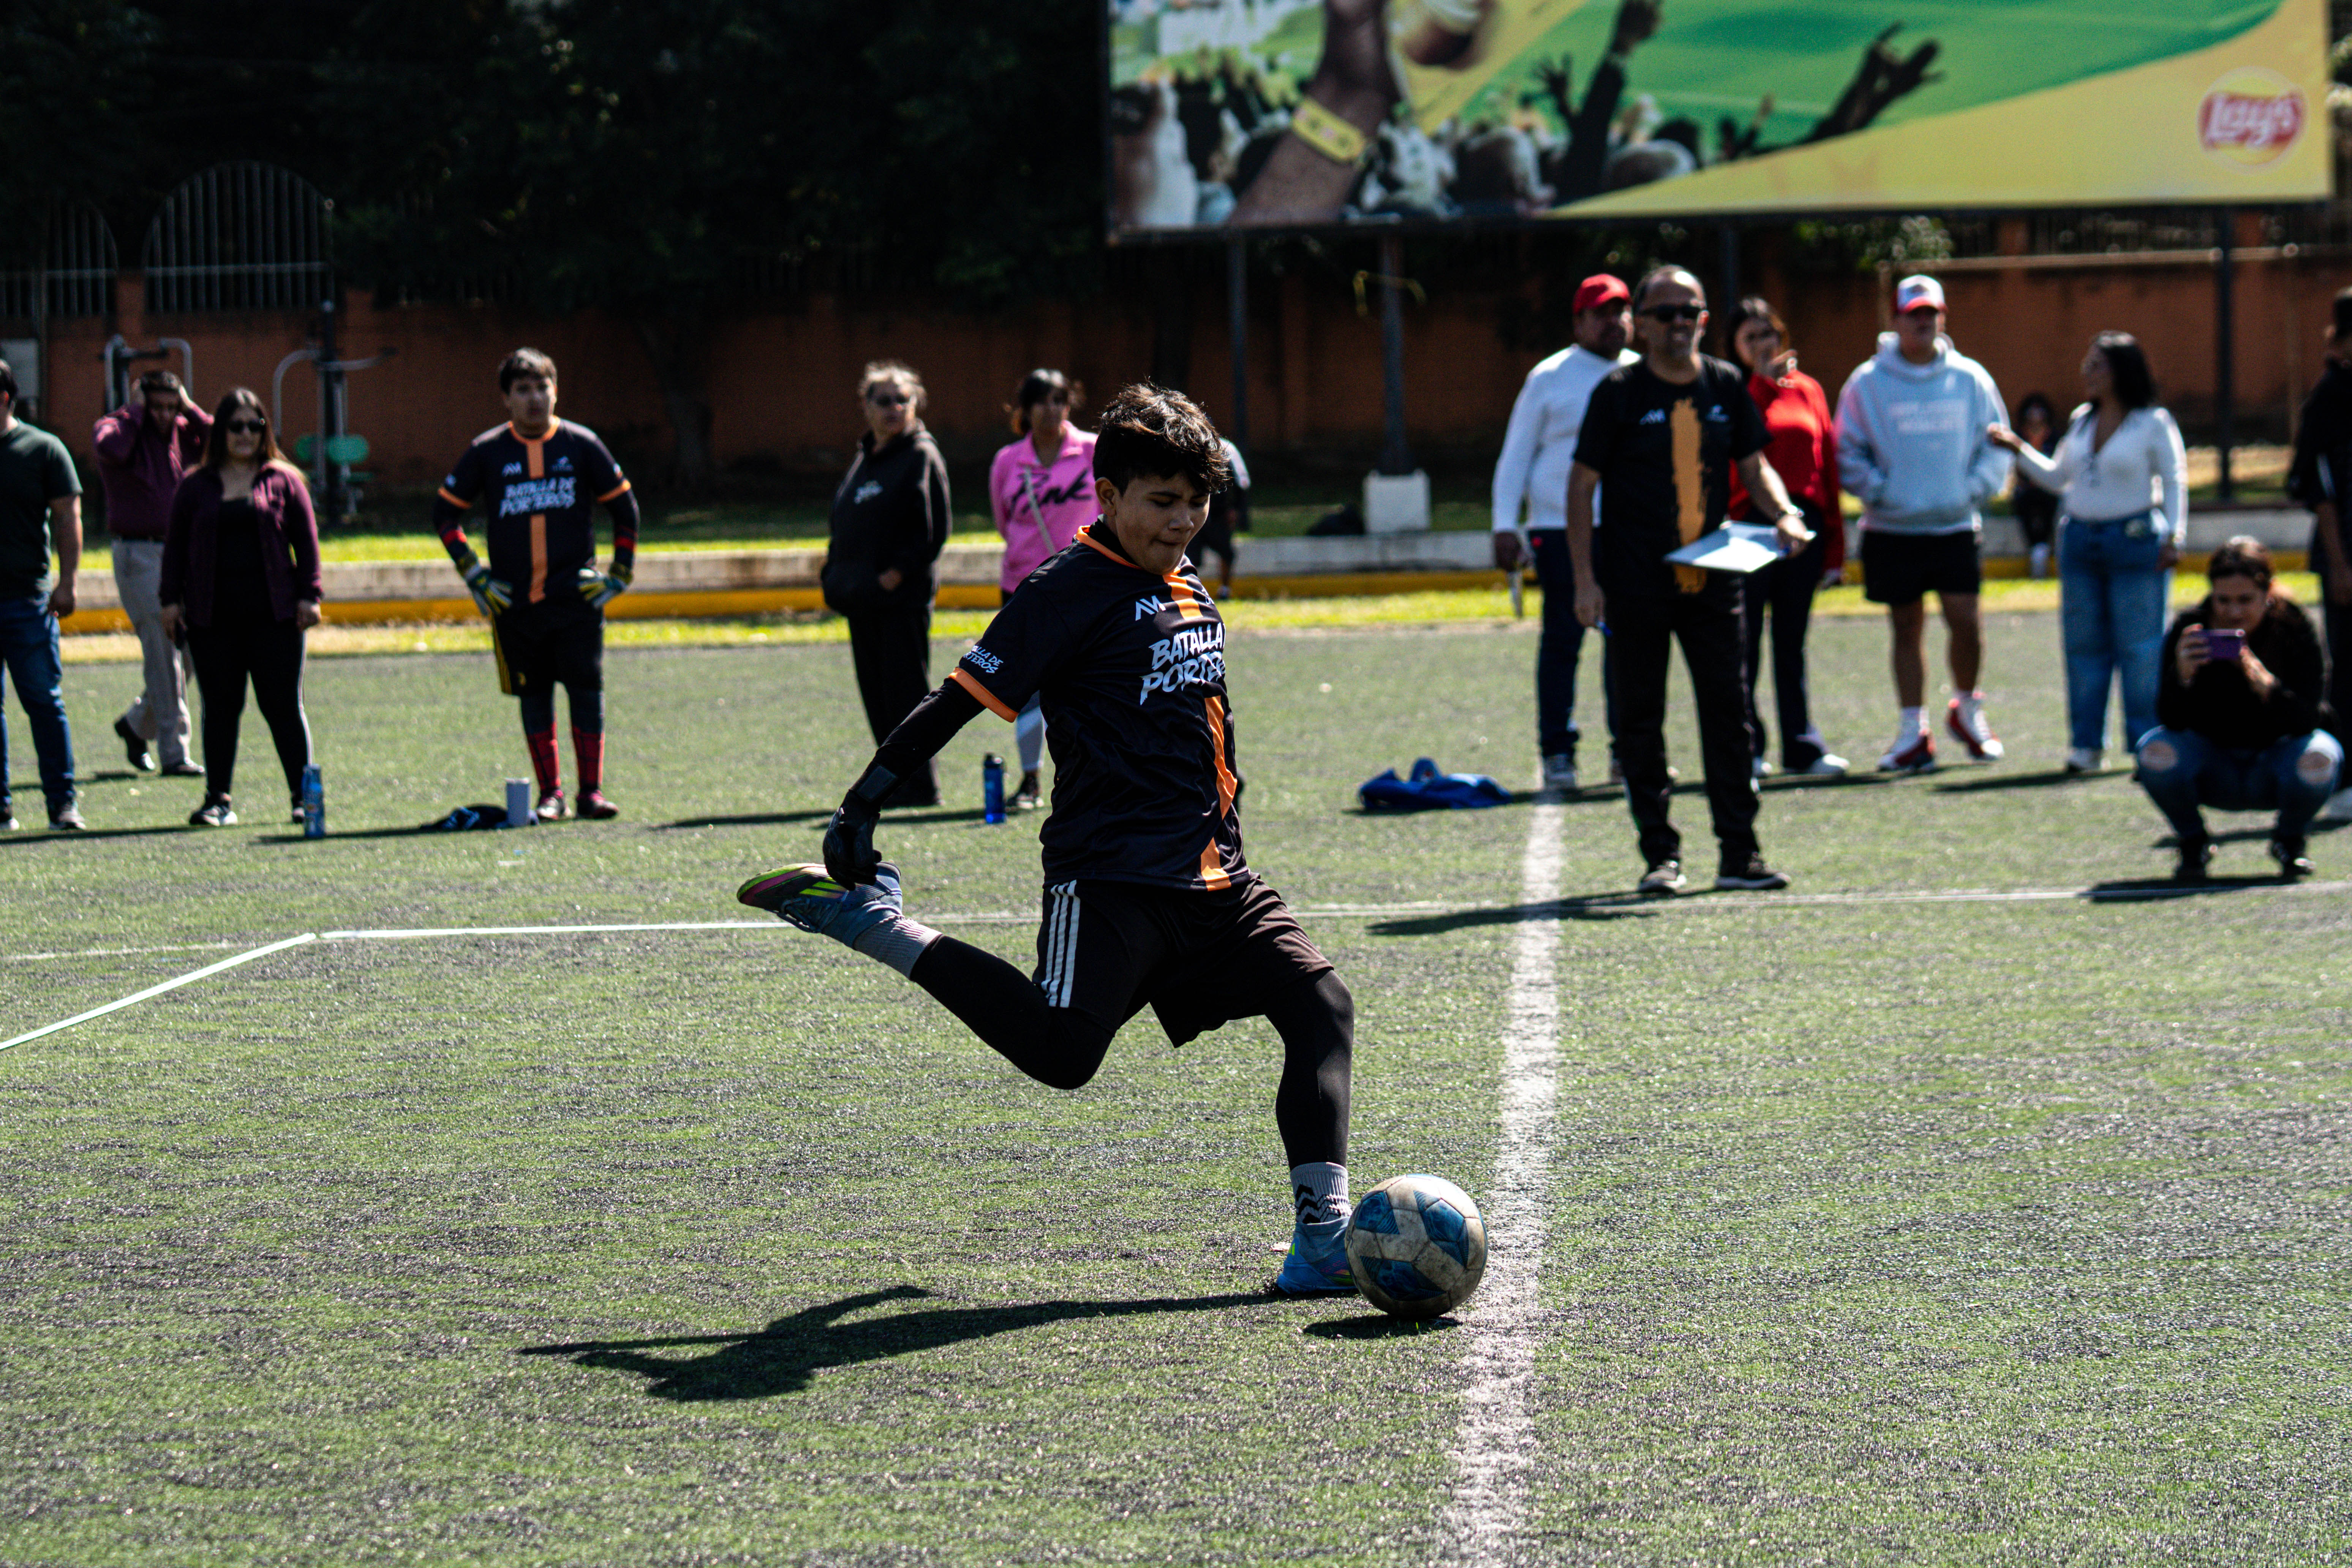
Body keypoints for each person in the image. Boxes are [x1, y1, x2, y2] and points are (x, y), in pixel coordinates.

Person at [736, 385, 1362, 1297]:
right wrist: (860, 806)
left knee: (1322, 1007)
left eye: (1196, 500)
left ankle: (1321, 1240)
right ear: (1107, 496)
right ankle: (874, 924)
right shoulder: (1063, 591)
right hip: (1108, 877)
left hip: (1216, 876)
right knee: (1064, 1054)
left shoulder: (1186, 584)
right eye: (1162, 500)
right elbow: (953, 700)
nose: (1182, 519)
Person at [1568, 267, 1812, 894]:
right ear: (1642, 324)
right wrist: (1584, 580)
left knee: (1730, 715)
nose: (1680, 322)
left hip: (1714, 582)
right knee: (1640, 718)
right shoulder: (1617, 392)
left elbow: (1754, 466)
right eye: (1667, 312)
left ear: (1704, 321)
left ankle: (1740, 852)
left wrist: (1783, 512)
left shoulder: (1726, 384)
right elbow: (1580, 486)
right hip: (1634, 584)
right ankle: (1661, 854)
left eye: (1691, 311)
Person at [433, 349, 639, 820]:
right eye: (522, 390)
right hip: (515, 606)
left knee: (587, 692)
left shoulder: (582, 444)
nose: (534, 399)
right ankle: (552, 795)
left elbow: (626, 510)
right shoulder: (487, 451)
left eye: (542, 387)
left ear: (556, 391)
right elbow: (445, 513)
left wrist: (620, 575)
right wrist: (474, 574)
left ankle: (591, 793)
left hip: (576, 601)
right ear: (506, 399)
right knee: (534, 695)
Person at [1835, 274, 2012, 773]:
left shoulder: (1971, 378)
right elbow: (1847, 450)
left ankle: (1968, 710)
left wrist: (1973, 490)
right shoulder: (1867, 382)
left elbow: (1996, 443)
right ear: (1895, 321)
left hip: (1955, 525)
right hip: (1892, 530)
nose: (1923, 322)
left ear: (1942, 318)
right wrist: (1882, 492)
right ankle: (1914, 729)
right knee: (1905, 626)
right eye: (1913, 314)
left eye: (1930, 314)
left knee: (1966, 621)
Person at [1991, 333, 2187, 775]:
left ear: (2121, 371)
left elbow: (2174, 480)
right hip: (2080, 542)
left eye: (2096, 364)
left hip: (2135, 541)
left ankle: (2145, 745)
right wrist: (2018, 450)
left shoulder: (2152, 421)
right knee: (2083, 647)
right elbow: (2060, 478)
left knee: (2140, 649)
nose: (2086, 372)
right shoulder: (2081, 420)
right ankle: (2086, 745)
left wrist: (2175, 537)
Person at [1491, 272, 1640, 791]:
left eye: (1621, 311)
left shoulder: (1643, 374)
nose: (1614, 322)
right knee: (1563, 642)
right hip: (1557, 529)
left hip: (1623, 531)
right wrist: (1504, 524)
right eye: (1601, 313)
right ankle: (1558, 750)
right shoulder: (1550, 376)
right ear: (1579, 321)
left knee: (1626, 644)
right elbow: (1517, 453)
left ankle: (1629, 750)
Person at [158, 391, 323, 827]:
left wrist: (310, 596)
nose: (246, 434)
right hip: (213, 618)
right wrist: (170, 602)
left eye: (256, 426)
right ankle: (218, 800)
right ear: (220, 432)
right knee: (221, 707)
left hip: (276, 616)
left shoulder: (284, 480)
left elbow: (306, 545)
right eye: (237, 426)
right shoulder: (195, 485)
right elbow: (174, 548)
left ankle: (303, 798)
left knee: (283, 706)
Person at [2135, 538, 2338, 882]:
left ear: (2268, 593)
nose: (2234, 612)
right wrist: (2182, 676)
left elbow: (2310, 719)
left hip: (2276, 764)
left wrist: (2267, 686)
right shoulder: (2191, 629)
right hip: (2211, 765)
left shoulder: (2294, 628)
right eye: (2223, 600)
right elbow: (2169, 721)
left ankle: (2290, 840)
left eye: (2246, 600)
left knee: (2322, 755)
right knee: (2153, 752)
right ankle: (2193, 841)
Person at [1724, 295, 1848, 779]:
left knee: (1791, 642)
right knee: (1745, 641)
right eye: (1750, 338)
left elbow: (1828, 466)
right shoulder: (1734, 389)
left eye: (1768, 334)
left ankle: (1803, 746)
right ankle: (1749, 747)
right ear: (1735, 347)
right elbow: (1743, 450)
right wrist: (1760, 380)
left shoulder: (1809, 389)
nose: (1762, 344)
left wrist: (1833, 544)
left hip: (1804, 527)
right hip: (1750, 526)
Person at [823, 361, 951, 809]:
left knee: (905, 695)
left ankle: (921, 786)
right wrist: (835, 574)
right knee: (877, 696)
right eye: (884, 400)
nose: (894, 408)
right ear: (865, 405)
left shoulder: (920, 454)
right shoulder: (867, 457)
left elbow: (931, 531)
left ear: (916, 405)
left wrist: (894, 575)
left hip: (899, 601)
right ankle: (892, 783)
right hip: (863, 602)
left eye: (903, 399)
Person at [988, 369, 1098, 810]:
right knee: (1029, 689)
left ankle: (1090, 777)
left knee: (1088, 686)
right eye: (1042, 400)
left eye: (1060, 399)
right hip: (1023, 587)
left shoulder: (1091, 451)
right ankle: (1031, 780)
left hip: (1082, 585)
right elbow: (1003, 520)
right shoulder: (1007, 461)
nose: (1051, 409)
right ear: (1025, 409)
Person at [92, 370, 208, 778]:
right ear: (141, 401)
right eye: (155, 406)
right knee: (164, 651)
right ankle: (175, 754)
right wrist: (137, 411)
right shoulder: (118, 426)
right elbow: (114, 449)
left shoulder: (183, 427)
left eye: (169, 407)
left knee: (196, 651)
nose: (163, 416)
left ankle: (136, 724)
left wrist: (189, 408)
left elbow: (220, 440)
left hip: (181, 553)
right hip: (138, 552)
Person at [0, 359, 85, 831]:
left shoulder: (42, 449)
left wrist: (68, 582)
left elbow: (69, 520)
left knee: (43, 701)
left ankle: (62, 802)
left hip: (27, 600)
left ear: (5, 398)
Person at [2284, 287, 2352, 822]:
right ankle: (2340, 779)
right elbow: (2316, 486)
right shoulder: (2331, 396)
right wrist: (2340, 564)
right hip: (2346, 556)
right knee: (2348, 670)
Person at [2009, 393, 2061, 580]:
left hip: (2047, 488)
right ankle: (2035, 548)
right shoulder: (2020, 436)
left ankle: (2042, 547)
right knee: (2022, 501)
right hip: (2025, 489)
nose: (2035, 415)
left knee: (2050, 504)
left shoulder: (2053, 437)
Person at [1191, 435, 1249, 600]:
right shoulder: (1186, 445)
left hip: (1217, 515)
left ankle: (1224, 589)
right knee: (1187, 557)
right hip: (1193, 512)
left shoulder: (1226, 448)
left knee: (1226, 552)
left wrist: (1236, 508)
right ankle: (1188, 593)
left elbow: (1242, 481)